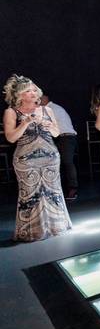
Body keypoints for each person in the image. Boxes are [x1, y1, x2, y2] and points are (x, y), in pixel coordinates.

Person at [3, 75, 72, 241]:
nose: (34, 93)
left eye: (35, 90)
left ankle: (57, 226)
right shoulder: (11, 112)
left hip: (50, 157)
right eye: (28, 91)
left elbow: (56, 133)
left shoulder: (47, 110)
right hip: (25, 160)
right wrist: (25, 122)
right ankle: (32, 231)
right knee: (29, 195)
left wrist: (50, 126)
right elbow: (11, 138)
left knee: (53, 192)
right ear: (19, 94)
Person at [40, 95, 78, 200]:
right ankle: (62, 190)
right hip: (63, 138)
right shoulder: (52, 107)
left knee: (67, 162)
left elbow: (46, 126)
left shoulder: (50, 109)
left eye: (39, 100)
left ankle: (73, 189)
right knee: (58, 163)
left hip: (66, 137)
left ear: (44, 100)